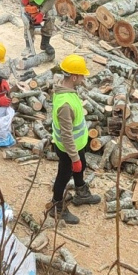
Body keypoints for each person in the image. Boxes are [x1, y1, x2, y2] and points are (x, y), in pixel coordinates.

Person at [48, 55, 102, 224]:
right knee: (63, 177)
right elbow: (66, 134)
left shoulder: (66, 90)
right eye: (81, 76)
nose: (83, 78)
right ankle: (56, 206)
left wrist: (79, 157)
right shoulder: (65, 104)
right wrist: (74, 157)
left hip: (77, 146)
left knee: (81, 167)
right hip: (67, 149)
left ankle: (81, 193)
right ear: (73, 77)